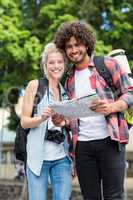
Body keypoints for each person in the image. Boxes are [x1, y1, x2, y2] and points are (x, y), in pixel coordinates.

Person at [53, 21, 133, 200]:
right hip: (82, 147)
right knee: (90, 197)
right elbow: (74, 117)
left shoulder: (107, 64)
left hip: (110, 141)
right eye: (69, 47)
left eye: (77, 44)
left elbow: (130, 93)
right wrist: (63, 121)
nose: (73, 50)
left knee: (114, 196)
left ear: (86, 43)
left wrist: (111, 107)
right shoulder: (68, 79)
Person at [20, 42, 72, 200]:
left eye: (60, 62)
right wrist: (41, 118)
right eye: (51, 62)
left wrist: (62, 123)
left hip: (62, 158)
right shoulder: (35, 85)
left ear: (64, 64)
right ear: (45, 65)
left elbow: (69, 123)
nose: (56, 66)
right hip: (37, 159)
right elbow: (24, 122)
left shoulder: (66, 92)